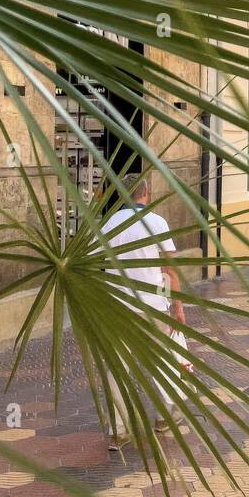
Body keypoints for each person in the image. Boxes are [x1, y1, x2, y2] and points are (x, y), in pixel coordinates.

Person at [101, 174, 184, 448]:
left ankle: (118, 431)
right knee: (160, 362)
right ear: (145, 193)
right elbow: (170, 269)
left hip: (117, 306)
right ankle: (163, 417)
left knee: (117, 369)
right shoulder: (157, 222)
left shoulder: (108, 224)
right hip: (153, 306)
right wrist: (178, 307)